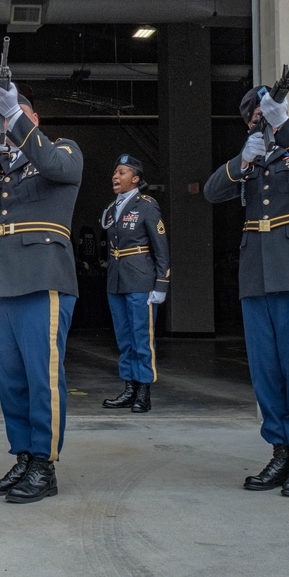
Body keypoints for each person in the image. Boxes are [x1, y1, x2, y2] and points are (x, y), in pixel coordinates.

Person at [0, 83, 83, 504]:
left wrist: (17, 119)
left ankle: (44, 465)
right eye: (1, 119)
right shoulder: (4, 166)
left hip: (43, 276)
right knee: (12, 380)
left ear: (33, 120)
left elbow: (54, 165)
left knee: (42, 378)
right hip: (5, 281)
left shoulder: (62, 151)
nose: (6, 125)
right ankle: (25, 457)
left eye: (13, 116)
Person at [203, 87, 289, 498]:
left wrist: (282, 123)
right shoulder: (252, 158)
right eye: (258, 115)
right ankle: (279, 451)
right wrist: (243, 159)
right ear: (248, 122)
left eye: (270, 113)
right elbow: (211, 192)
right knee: (266, 372)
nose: (265, 120)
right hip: (257, 274)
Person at [100, 154, 170, 413]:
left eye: (121, 173)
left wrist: (161, 284)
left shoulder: (147, 206)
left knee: (142, 337)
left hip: (141, 278)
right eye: (115, 173)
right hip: (117, 279)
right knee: (124, 338)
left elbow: (161, 248)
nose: (115, 177)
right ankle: (129, 388)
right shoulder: (114, 207)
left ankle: (144, 391)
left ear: (135, 179)